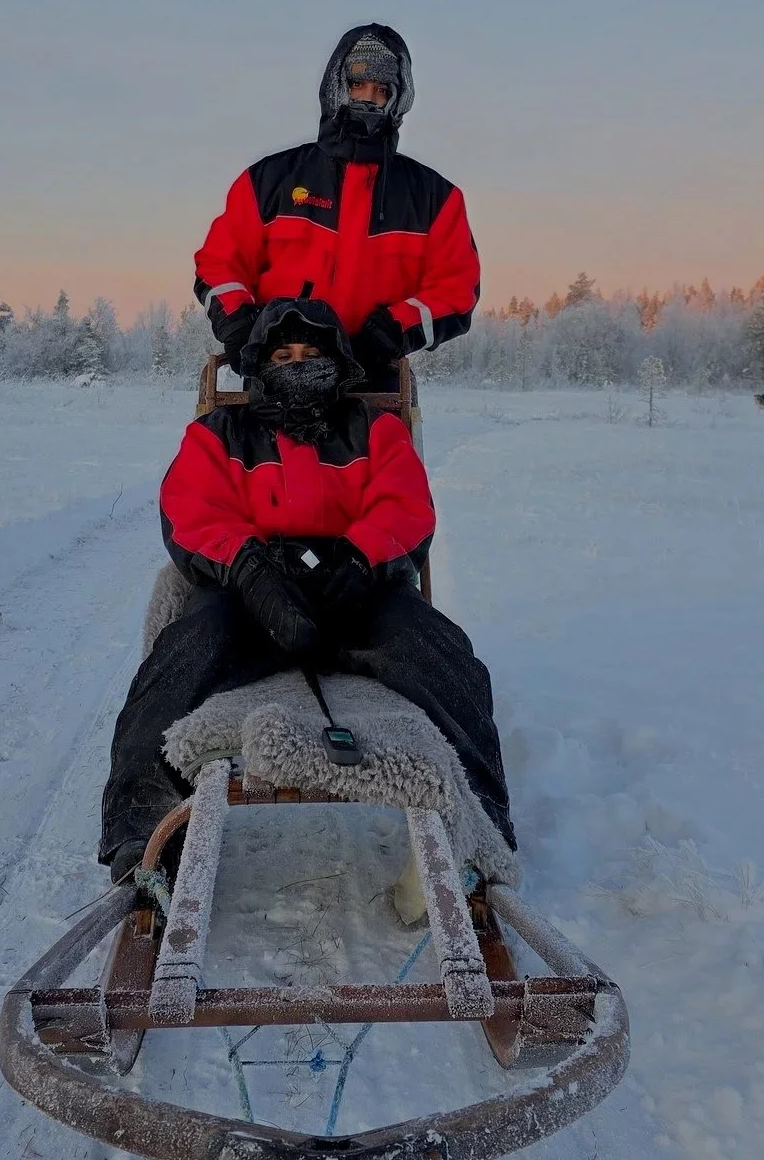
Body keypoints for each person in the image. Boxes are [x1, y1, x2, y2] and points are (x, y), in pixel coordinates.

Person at [99, 297, 514, 881]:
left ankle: (482, 832)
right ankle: (140, 834)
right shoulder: (218, 433)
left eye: (312, 353)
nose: (297, 366)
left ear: (338, 362)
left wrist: (359, 558)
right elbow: (191, 510)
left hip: (357, 591)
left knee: (445, 656)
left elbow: (406, 506)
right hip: (249, 597)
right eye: (283, 355)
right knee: (180, 656)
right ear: (259, 366)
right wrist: (249, 569)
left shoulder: (376, 429)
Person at [194, 24, 480, 388]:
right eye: (357, 84)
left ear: (397, 99)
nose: (368, 97)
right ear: (336, 86)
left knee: (389, 449)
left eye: (381, 90)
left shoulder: (435, 198)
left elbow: (458, 289)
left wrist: (396, 327)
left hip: (374, 381)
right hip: (277, 375)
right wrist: (238, 323)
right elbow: (219, 263)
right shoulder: (269, 180)